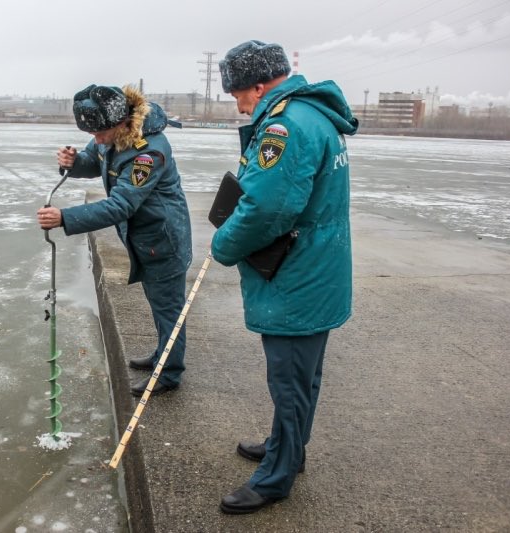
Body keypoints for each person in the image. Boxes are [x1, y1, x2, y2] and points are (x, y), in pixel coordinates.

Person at [210, 40, 358, 514]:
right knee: (302, 378)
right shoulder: (315, 116)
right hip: (319, 267)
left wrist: (223, 244)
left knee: (290, 383)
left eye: (238, 94)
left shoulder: (286, 125)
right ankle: (287, 449)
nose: (239, 103)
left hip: (298, 276)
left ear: (258, 84)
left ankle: (276, 477)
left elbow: (266, 208)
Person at [37, 83, 192, 397]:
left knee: (168, 309)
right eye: (91, 134)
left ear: (122, 122)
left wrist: (66, 218)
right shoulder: (110, 132)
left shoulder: (149, 151)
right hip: (143, 238)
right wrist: (73, 161)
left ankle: (169, 372)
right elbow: (95, 162)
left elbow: (122, 205)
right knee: (159, 305)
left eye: (100, 134)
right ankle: (163, 355)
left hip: (163, 240)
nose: (96, 140)